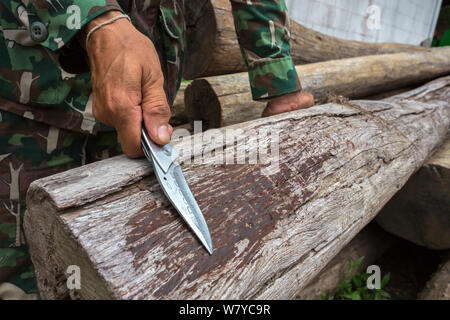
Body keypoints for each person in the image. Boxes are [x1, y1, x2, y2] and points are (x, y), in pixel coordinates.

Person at [0, 0, 314, 298]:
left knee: (127, 268)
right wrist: (96, 20)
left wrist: (277, 75)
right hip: (32, 98)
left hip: (147, 98)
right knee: (25, 280)